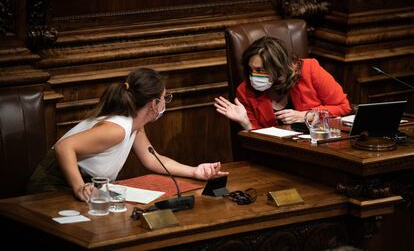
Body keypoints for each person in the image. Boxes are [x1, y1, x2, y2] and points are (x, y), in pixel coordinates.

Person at [27, 68, 228, 201]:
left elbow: (151, 159)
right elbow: (64, 147)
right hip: (53, 186)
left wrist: (195, 171)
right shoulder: (118, 128)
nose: (166, 102)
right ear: (154, 104)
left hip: (80, 185)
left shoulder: (134, 125)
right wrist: (79, 187)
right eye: (164, 97)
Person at [215, 36, 351, 130]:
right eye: (251, 69)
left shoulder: (309, 69)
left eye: (260, 70)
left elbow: (344, 107)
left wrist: (305, 116)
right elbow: (258, 142)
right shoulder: (245, 91)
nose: (253, 75)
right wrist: (245, 123)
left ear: (278, 68)